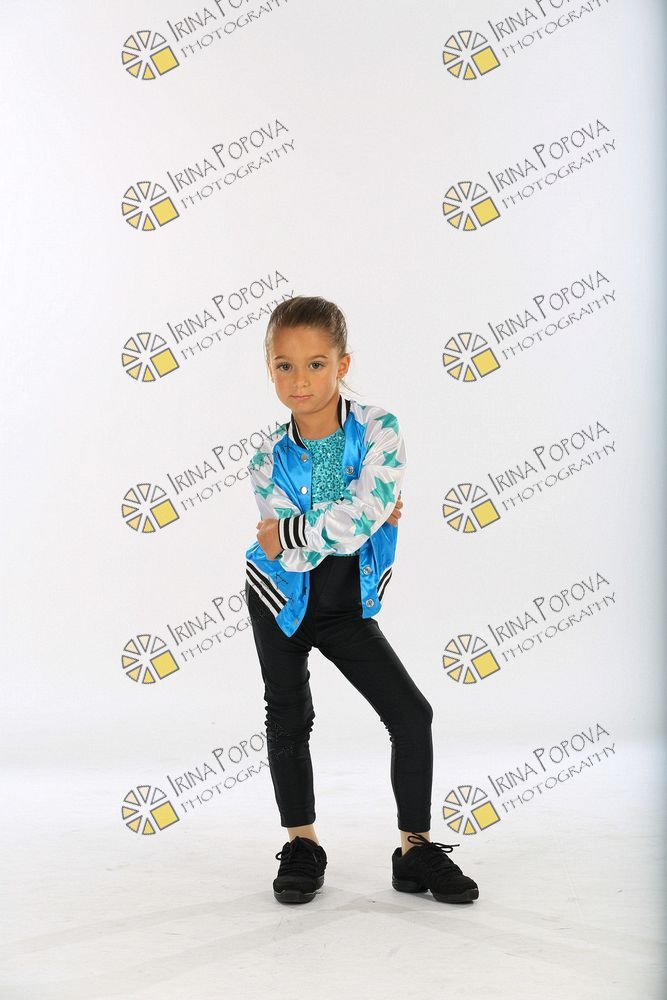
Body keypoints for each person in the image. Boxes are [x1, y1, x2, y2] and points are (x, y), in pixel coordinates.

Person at [244, 295, 479, 906]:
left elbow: (350, 523)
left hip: (344, 605)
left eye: (316, 364)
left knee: (411, 715)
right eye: (285, 366)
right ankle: (302, 844)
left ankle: (415, 850)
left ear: (342, 364)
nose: (300, 380)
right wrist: (359, 514)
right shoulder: (266, 455)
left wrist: (322, 523)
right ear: (270, 369)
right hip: (279, 596)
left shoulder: (378, 427)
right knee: (288, 716)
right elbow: (317, 543)